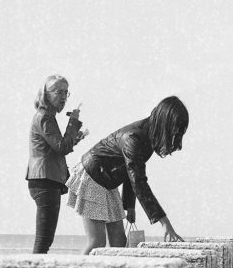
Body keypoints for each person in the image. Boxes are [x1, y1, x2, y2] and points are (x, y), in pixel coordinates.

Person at [71, 96, 189, 250]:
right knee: (96, 243)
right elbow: (138, 180)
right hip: (92, 176)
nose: (174, 135)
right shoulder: (134, 138)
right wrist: (164, 223)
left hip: (107, 181)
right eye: (174, 130)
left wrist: (130, 205)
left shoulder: (148, 135)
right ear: (165, 122)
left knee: (119, 243)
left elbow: (130, 171)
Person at [26, 75, 88, 253]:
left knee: (45, 238)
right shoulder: (45, 117)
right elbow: (61, 147)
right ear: (46, 94)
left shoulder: (47, 117)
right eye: (58, 92)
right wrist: (73, 122)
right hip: (44, 179)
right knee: (44, 239)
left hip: (45, 179)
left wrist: (74, 138)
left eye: (66, 93)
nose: (63, 97)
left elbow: (59, 146)